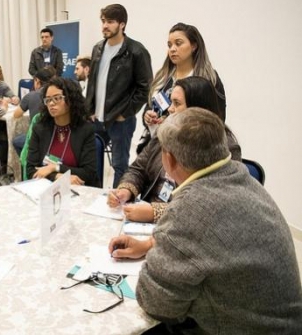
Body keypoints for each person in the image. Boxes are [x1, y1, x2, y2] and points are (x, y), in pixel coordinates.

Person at [108, 108, 302, 334]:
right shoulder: (242, 179)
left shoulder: (190, 208)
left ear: (168, 159)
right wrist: (152, 245)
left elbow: (155, 302)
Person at [108, 76, 241, 223]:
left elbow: (212, 203)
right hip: (146, 219)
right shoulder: (169, 130)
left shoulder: (223, 146)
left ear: (197, 108)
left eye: (176, 103)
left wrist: (156, 212)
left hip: (186, 226)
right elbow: (138, 169)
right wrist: (125, 191)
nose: (170, 109)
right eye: (171, 102)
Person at [86, 4, 153, 187]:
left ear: (122, 24)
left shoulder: (136, 51)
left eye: (110, 21)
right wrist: (89, 109)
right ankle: (94, 198)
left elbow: (145, 88)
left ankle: (116, 205)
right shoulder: (97, 48)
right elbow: (92, 81)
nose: (105, 26)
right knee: (91, 161)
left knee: (119, 165)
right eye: (103, 21)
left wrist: (126, 112)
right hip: (96, 119)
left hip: (120, 120)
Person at [138, 22, 227, 154]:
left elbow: (217, 119)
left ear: (194, 46)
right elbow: (150, 106)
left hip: (192, 149)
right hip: (157, 147)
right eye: (169, 45)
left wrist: (173, 123)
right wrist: (149, 118)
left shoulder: (208, 79)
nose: (172, 49)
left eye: (178, 43)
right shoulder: (162, 78)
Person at [26, 77, 99, 187]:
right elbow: (31, 170)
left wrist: (54, 167)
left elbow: (88, 173)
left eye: (57, 98)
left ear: (70, 100)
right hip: (46, 190)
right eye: (48, 100)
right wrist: (57, 177)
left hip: (77, 192)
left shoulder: (85, 130)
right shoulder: (40, 129)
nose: (51, 103)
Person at [12, 67, 54, 156]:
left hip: (37, 137)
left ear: (37, 81)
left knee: (16, 141)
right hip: (56, 136)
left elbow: (16, 114)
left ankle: (27, 164)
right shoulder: (57, 95)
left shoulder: (31, 96)